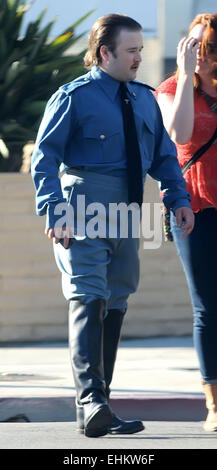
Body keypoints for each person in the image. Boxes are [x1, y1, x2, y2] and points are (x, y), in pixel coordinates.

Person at [31, 13, 194, 438]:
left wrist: (178, 199)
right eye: (132, 51)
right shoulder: (73, 97)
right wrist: (54, 210)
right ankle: (90, 402)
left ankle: (100, 402)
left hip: (129, 210)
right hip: (82, 206)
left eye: (141, 49)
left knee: (117, 297)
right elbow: (44, 158)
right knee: (87, 293)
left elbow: (162, 157)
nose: (140, 57)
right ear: (105, 53)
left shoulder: (144, 98)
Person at [156, 13, 217, 432]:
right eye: (193, 44)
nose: (200, 52)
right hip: (194, 208)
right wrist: (185, 71)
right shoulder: (173, 88)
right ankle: (214, 403)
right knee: (209, 307)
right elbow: (178, 135)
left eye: (207, 46)